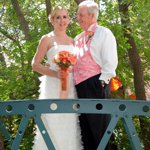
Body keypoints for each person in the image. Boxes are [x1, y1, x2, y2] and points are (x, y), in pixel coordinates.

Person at [31, 5, 83, 150]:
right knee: (52, 118)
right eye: (58, 17)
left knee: (69, 121)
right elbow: (35, 64)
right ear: (52, 20)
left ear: (68, 19)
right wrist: (56, 74)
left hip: (70, 87)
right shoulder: (46, 39)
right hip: (52, 86)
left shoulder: (73, 41)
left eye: (65, 17)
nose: (62, 20)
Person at [73, 1, 118, 150]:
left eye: (81, 14)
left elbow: (110, 60)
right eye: (77, 14)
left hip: (96, 84)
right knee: (85, 131)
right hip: (78, 88)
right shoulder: (78, 38)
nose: (77, 17)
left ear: (92, 16)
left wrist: (102, 82)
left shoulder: (104, 32)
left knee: (101, 130)